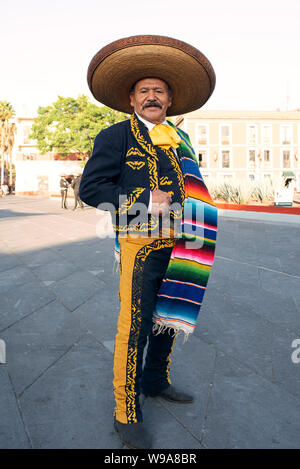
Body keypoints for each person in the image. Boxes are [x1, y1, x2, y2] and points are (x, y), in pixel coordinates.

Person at [79, 35, 218, 449]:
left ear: (170, 99)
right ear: (131, 99)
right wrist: (140, 198)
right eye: (145, 91)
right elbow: (91, 187)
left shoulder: (181, 142)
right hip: (140, 246)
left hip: (183, 243)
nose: (152, 97)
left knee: (167, 321)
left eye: (159, 91)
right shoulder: (116, 136)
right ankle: (126, 410)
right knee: (134, 326)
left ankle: (156, 382)